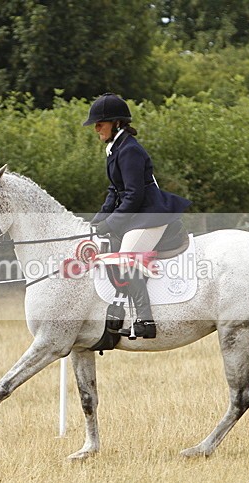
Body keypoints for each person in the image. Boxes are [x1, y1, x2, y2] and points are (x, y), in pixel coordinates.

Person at [84, 93, 191, 339]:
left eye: (100, 123)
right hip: (138, 215)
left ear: (116, 123)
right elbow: (115, 190)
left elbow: (133, 196)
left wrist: (111, 223)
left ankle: (145, 319)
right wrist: (97, 220)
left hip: (151, 214)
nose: (96, 128)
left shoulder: (129, 150)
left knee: (125, 259)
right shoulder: (116, 148)